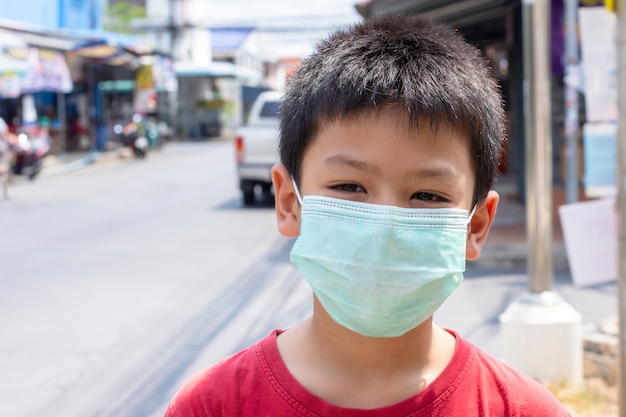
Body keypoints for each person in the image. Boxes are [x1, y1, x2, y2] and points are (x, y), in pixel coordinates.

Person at [164, 14, 570, 416]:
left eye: (427, 195)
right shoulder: (212, 405)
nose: (385, 226)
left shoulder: (522, 410)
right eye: (349, 187)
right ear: (289, 202)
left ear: (476, 225)